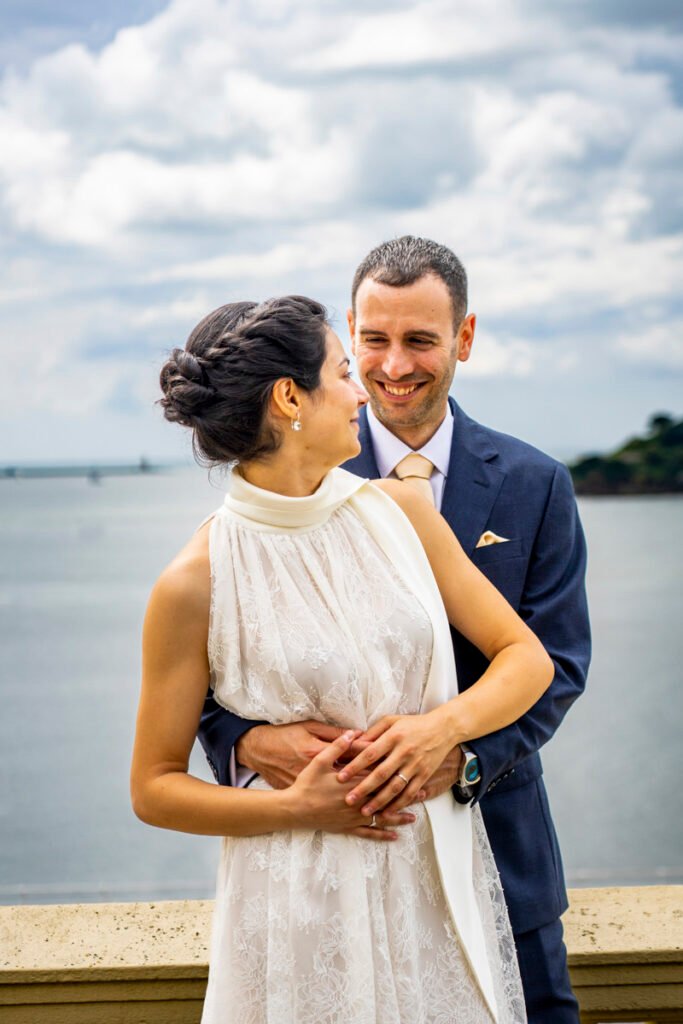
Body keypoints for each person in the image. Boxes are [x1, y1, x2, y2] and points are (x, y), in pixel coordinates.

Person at [131, 293, 554, 1023]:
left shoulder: (405, 512)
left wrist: (438, 729)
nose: (362, 387)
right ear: (290, 397)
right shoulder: (192, 579)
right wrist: (295, 808)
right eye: (341, 370)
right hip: (295, 908)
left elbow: (526, 658)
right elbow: (154, 786)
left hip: (432, 883)